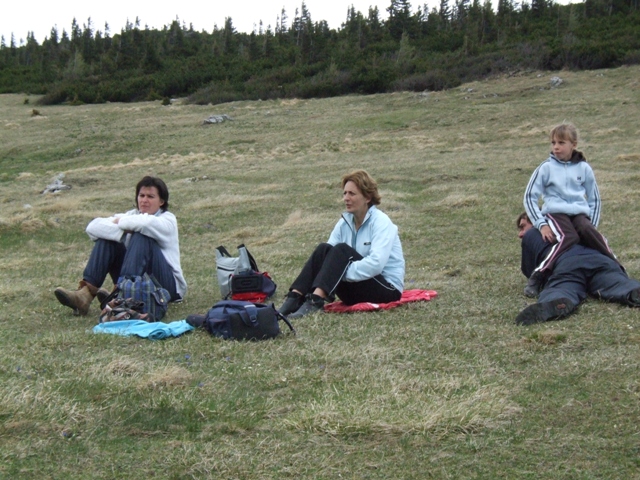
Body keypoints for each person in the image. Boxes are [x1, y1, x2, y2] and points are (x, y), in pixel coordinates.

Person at [278, 170, 405, 319]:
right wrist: (333, 270)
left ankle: (315, 301)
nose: (346, 198)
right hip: (355, 289)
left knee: (342, 250)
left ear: (367, 197)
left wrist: (337, 271)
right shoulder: (344, 222)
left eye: (352, 194)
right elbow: (327, 258)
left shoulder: (381, 222)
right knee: (324, 249)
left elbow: (376, 264)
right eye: (344, 193)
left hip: (387, 290)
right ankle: (294, 298)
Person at [54, 176, 187, 315]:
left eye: (150, 196)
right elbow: (93, 227)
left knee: (142, 236)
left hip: (167, 286)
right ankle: (85, 295)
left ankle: (122, 295)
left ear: (161, 201)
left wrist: (121, 222)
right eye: (141, 195)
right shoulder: (131, 215)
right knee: (107, 239)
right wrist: (124, 228)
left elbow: (145, 224)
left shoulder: (168, 219)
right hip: (138, 280)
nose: (144, 200)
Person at [523, 122, 619, 297]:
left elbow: (594, 198)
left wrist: (592, 223)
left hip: (579, 212)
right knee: (569, 237)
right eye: (553, 143)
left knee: (590, 232)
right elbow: (529, 197)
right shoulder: (546, 168)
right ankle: (539, 274)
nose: (556, 147)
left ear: (573, 145)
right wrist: (541, 224)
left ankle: (616, 267)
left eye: (561, 143)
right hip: (556, 212)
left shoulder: (584, 168)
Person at [515, 213, 640, 326]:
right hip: (599, 259)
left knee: (563, 288)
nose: (520, 234)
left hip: (567, 264)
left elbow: (531, 272)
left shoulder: (533, 233)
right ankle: (633, 290)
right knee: (616, 283)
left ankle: (555, 301)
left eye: (523, 227)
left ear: (536, 220)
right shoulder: (578, 225)